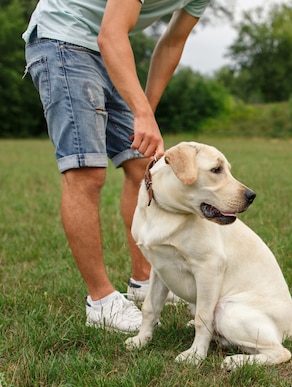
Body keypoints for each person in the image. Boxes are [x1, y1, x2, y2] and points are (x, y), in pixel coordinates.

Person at [23, 0, 210, 333]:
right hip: (64, 38)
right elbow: (110, 34)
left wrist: (146, 112)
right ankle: (101, 302)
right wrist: (141, 114)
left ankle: (144, 281)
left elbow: (172, 42)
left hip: (107, 48)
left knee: (144, 165)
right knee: (86, 172)